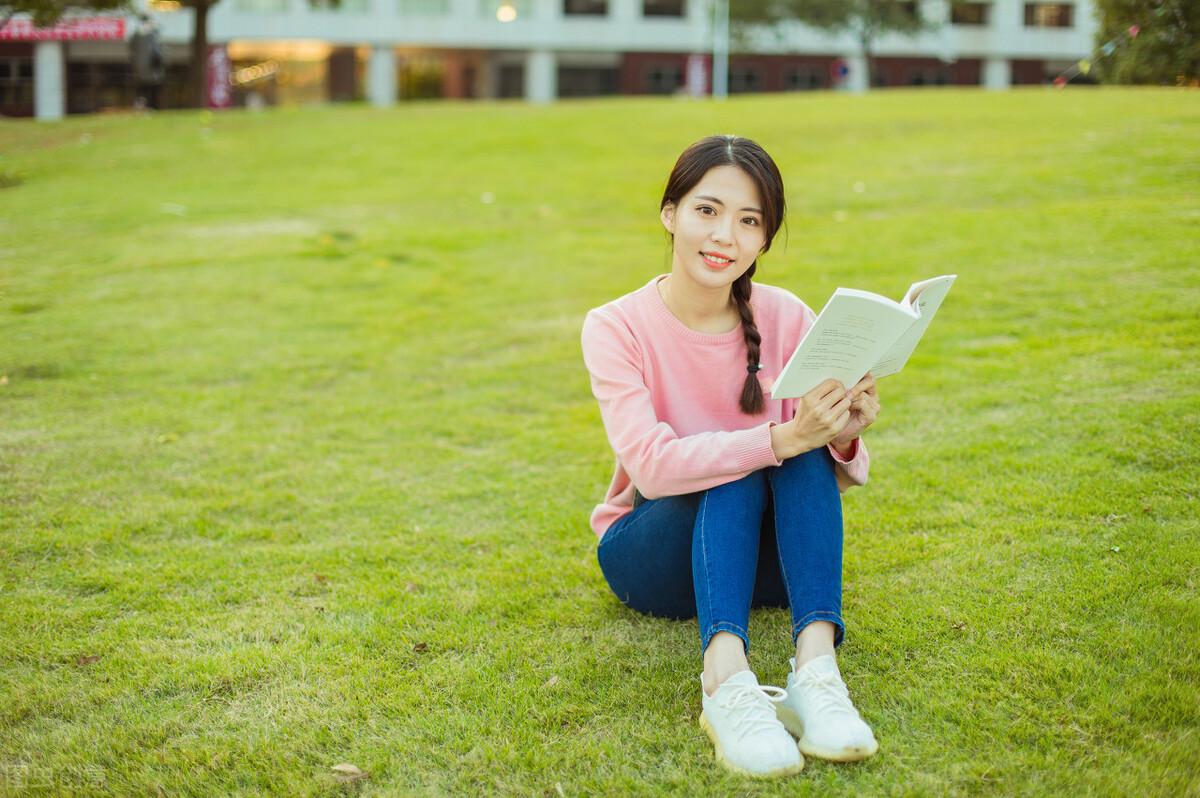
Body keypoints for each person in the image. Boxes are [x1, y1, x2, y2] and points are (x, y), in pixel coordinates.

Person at [581, 135, 882, 779]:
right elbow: (656, 469)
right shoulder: (615, 326)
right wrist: (779, 439)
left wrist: (843, 431)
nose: (725, 236)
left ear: (764, 239)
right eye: (707, 211)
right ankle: (725, 680)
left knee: (795, 455)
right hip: (653, 555)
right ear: (671, 213)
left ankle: (817, 674)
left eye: (749, 221)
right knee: (747, 463)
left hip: (759, 560)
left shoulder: (786, 315)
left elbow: (833, 475)